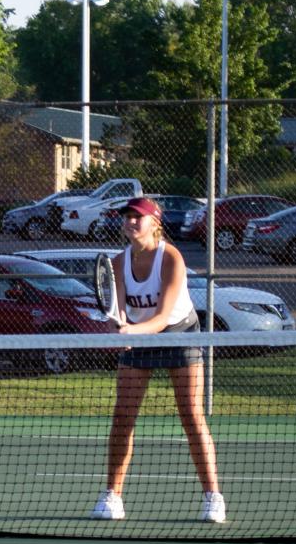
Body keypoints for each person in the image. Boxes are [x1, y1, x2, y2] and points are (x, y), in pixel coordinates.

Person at [93, 196, 225, 523]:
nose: (131, 222)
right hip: (139, 337)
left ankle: (213, 498)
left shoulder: (171, 259)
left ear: (155, 223)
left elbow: (164, 316)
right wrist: (118, 326)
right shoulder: (118, 263)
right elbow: (120, 310)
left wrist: (132, 333)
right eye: (127, 217)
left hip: (179, 334)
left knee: (191, 415)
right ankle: (112, 496)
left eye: (138, 217)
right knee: (123, 416)